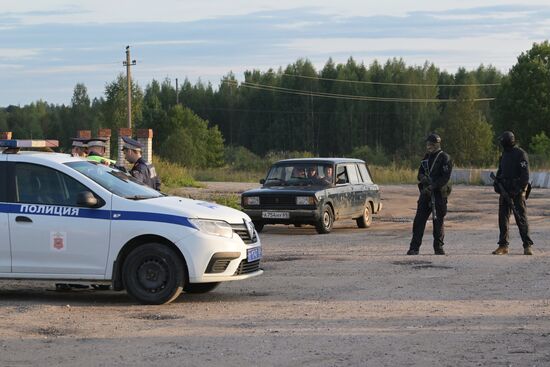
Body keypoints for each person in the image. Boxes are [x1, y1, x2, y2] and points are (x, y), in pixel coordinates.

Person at [407, 133, 453, 255]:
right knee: (419, 221)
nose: (428, 147)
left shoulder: (445, 158)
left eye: (431, 144)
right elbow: (419, 173)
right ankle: (414, 248)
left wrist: (433, 186)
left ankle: (438, 247)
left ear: (436, 144)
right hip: (425, 193)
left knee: (438, 222)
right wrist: (423, 180)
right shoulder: (426, 157)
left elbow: (445, 178)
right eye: (427, 144)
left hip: (438, 194)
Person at [492, 131, 534, 255]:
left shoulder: (520, 154)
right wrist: (498, 185)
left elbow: (525, 176)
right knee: (503, 219)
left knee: (521, 218)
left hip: (517, 193)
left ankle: (527, 246)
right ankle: (503, 246)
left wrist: (517, 189)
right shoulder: (504, 154)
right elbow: (500, 173)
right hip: (504, 192)